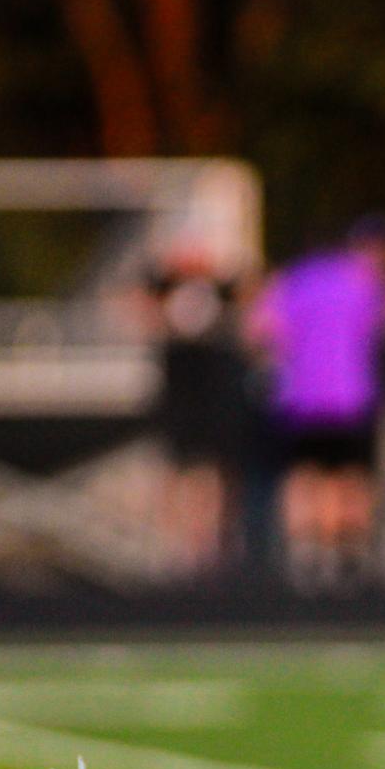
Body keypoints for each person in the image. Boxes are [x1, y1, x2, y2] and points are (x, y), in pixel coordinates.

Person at [249, 215, 385, 581]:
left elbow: (260, 329)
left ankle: (305, 556)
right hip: (352, 397)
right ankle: (346, 556)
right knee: (351, 478)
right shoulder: (363, 281)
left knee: (304, 478)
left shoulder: (293, 281)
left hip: (302, 398)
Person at [141, 235, 254, 575]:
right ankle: (176, 551)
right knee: (178, 473)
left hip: (211, 394)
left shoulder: (222, 291)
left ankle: (208, 547)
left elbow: (251, 294)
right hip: (180, 395)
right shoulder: (162, 288)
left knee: (211, 476)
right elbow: (134, 308)